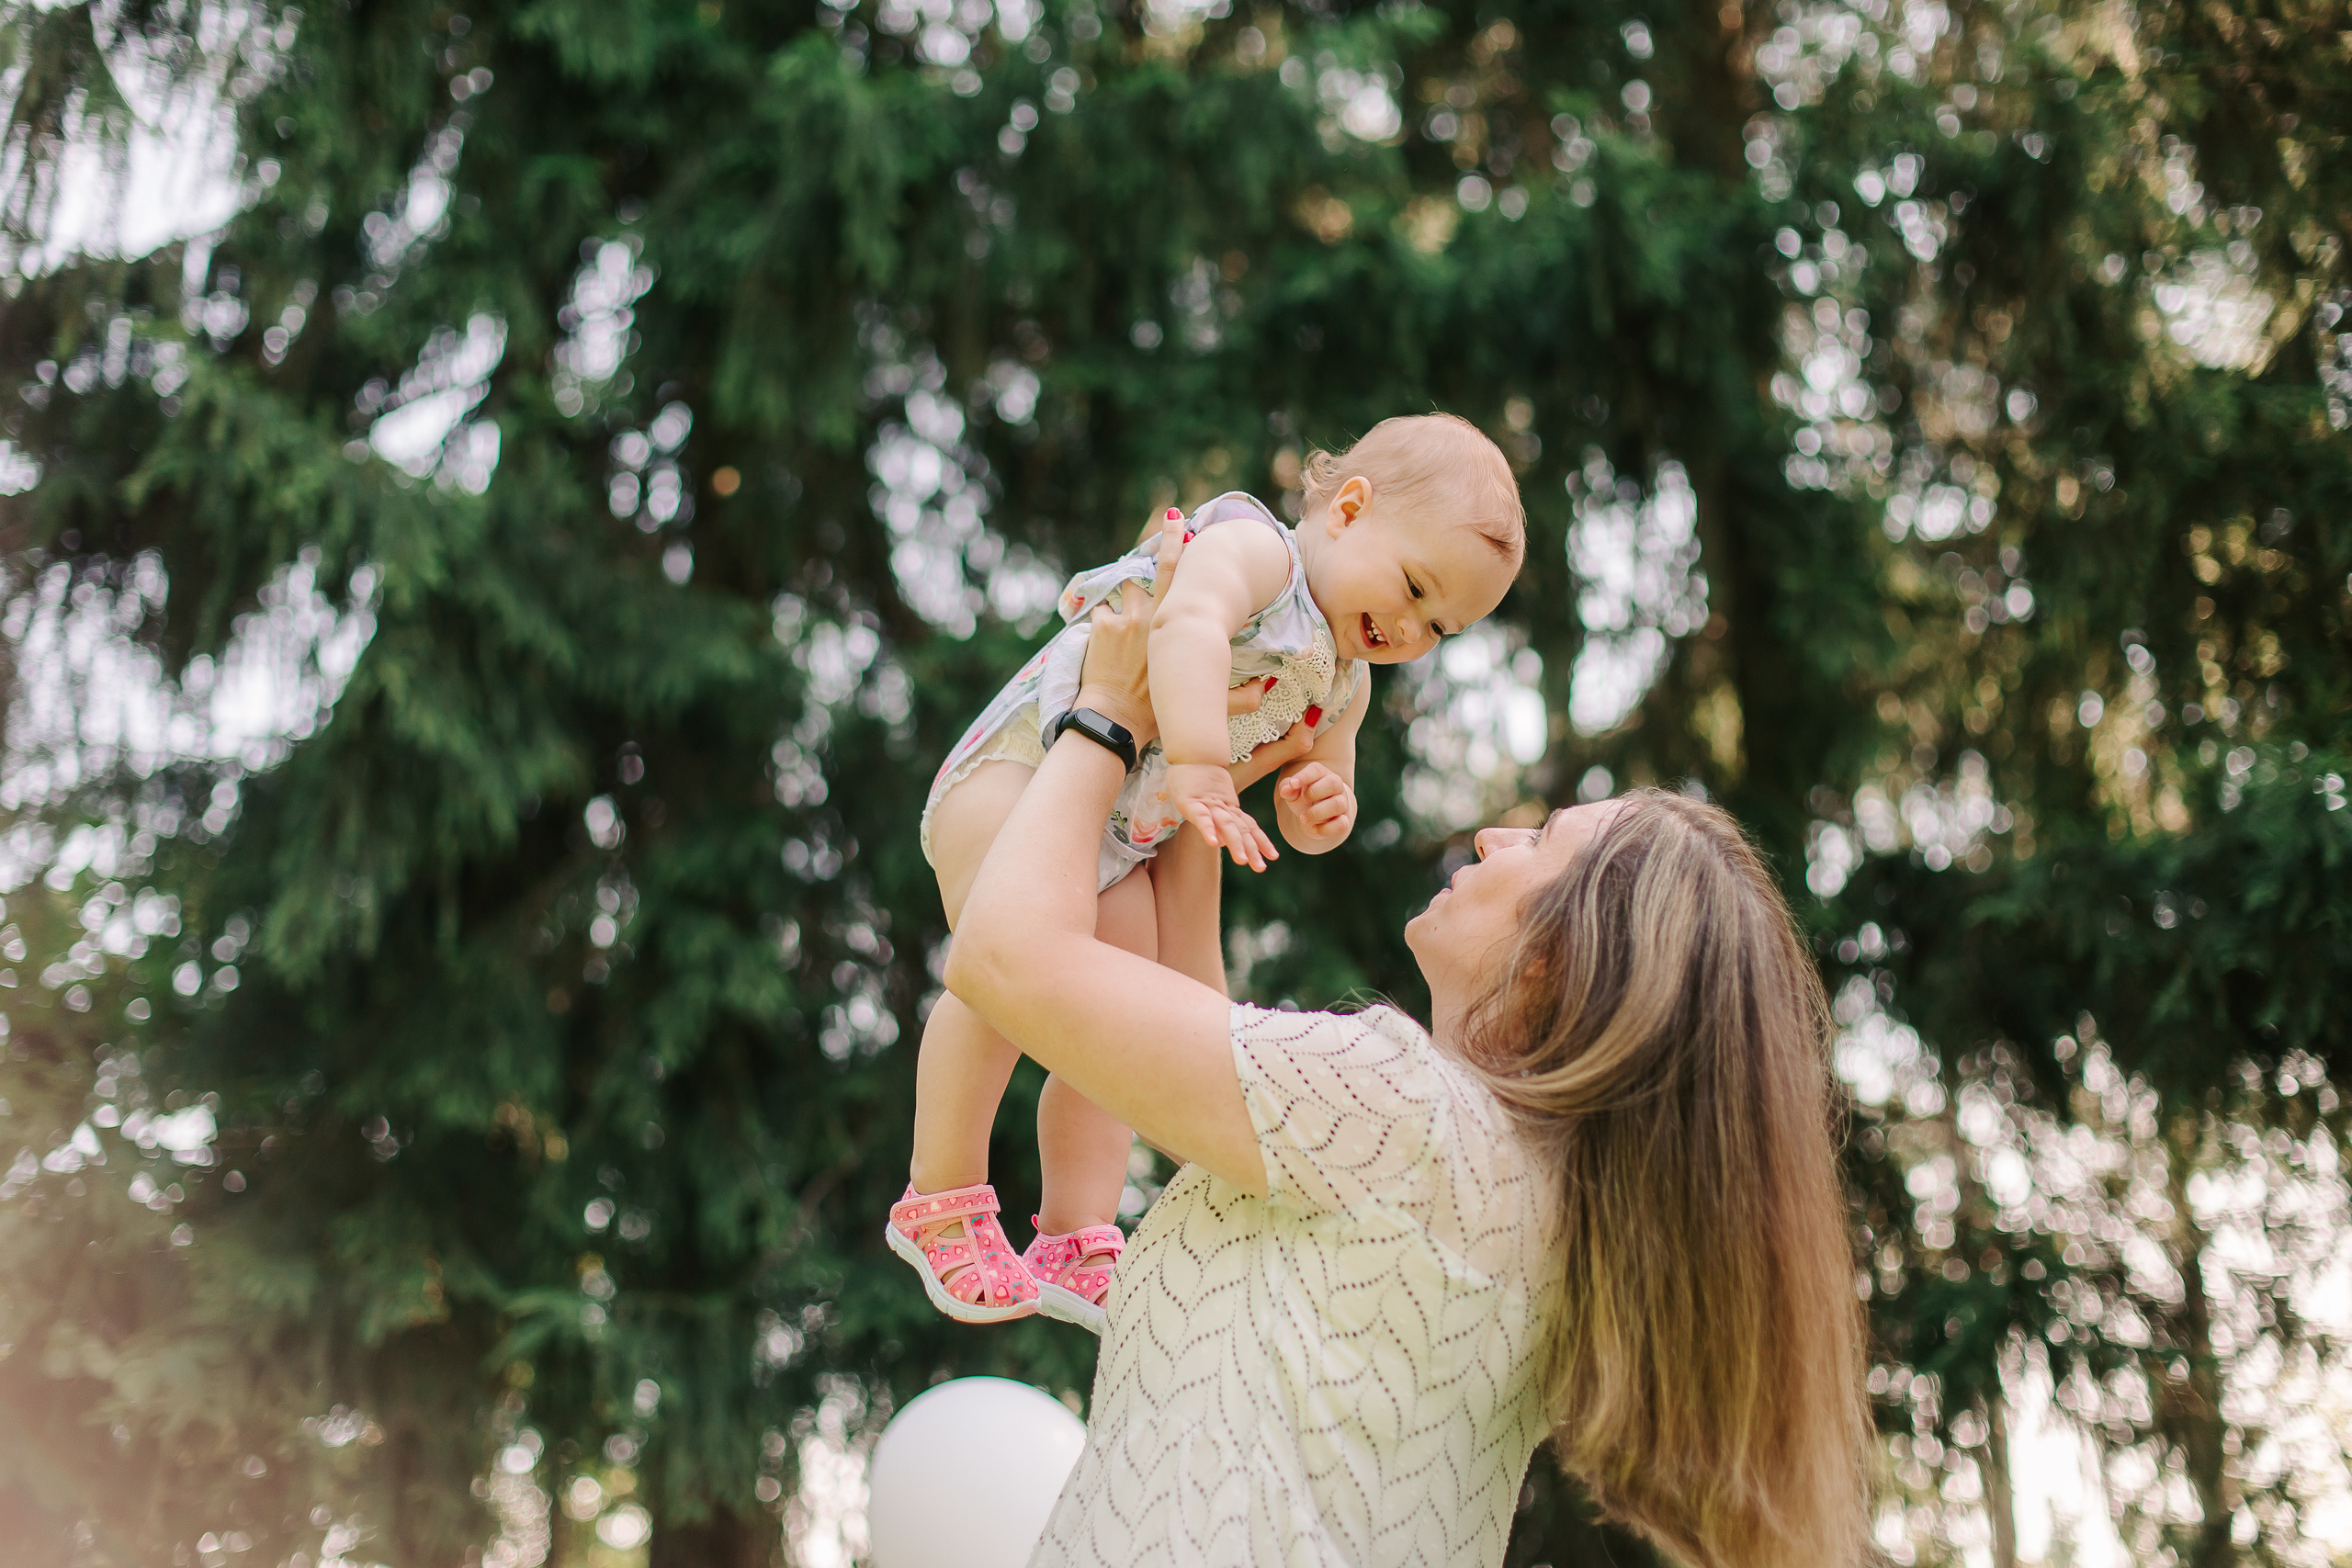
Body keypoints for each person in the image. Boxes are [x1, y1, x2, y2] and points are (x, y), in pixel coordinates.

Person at [941, 539, 1872, 1566]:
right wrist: (1195, 793)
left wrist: (1109, 716)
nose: (1491, 840)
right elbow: (1189, 1031)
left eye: (1540, 843)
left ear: (1557, 960)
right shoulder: (1552, 1200)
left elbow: (1003, 959)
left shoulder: (1401, 1114)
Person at [892, 414, 1526, 1331]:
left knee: (1113, 1006)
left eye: (1440, 624)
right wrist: (1195, 759)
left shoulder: (1343, 681)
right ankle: (940, 1195)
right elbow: (1187, 624)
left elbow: (1317, 773)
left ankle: (1075, 1228)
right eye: (1415, 587)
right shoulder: (1258, 553)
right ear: (1348, 511)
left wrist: (1318, 808)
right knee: (995, 978)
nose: (1409, 627)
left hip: (1120, 831)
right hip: (1022, 768)